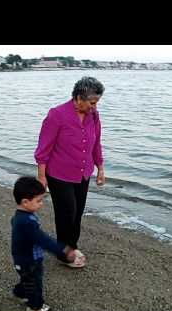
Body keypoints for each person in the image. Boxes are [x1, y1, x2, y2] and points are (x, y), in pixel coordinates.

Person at [34, 77, 105, 268]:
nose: (94, 107)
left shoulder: (94, 116)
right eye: (92, 102)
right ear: (78, 98)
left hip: (83, 173)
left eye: (97, 102)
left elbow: (95, 143)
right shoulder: (56, 115)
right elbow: (43, 149)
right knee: (67, 212)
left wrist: (100, 168)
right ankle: (64, 253)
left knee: (77, 212)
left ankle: (71, 246)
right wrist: (41, 177)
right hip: (59, 174)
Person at [11, 176, 77, 311]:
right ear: (25, 202)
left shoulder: (19, 216)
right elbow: (43, 240)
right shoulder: (27, 222)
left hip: (23, 258)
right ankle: (35, 307)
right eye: (38, 201)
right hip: (28, 260)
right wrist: (63, 249)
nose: (41, 204)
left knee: (27, 279)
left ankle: (20, 292)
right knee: (35, 283)